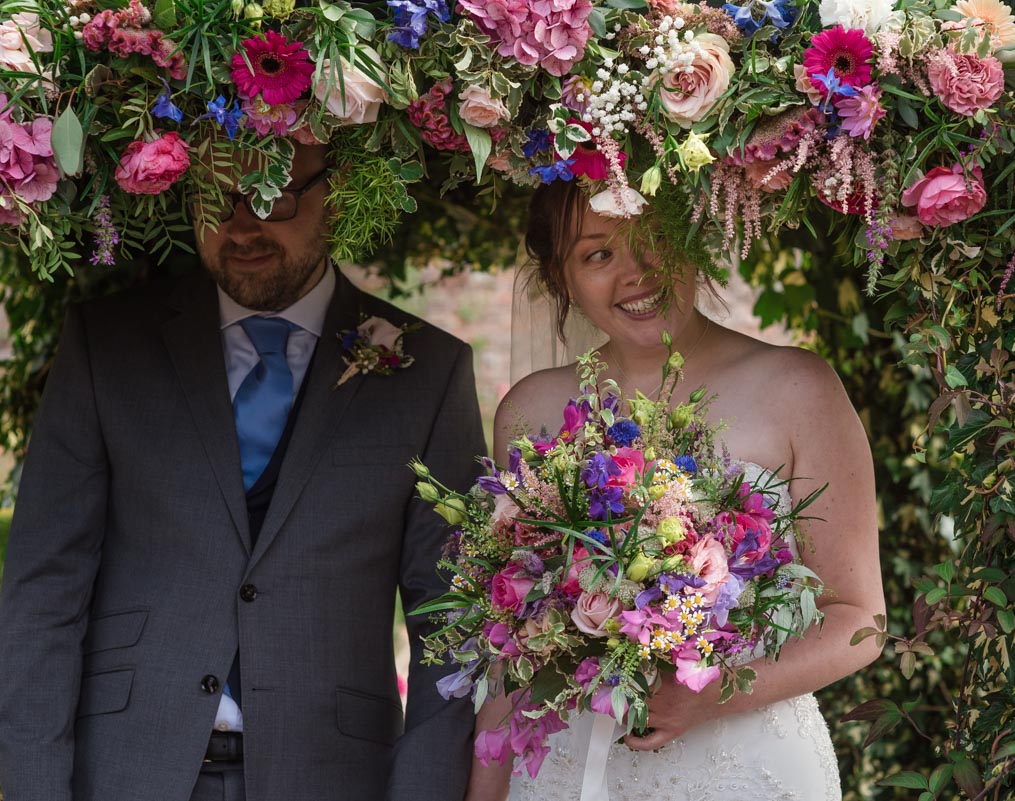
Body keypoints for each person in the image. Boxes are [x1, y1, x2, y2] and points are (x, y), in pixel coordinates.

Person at [0, 143, 485, 801]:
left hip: (333, 778)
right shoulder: (106, 347)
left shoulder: (428, 371)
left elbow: (450, 623)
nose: (241, 223)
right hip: (123, 770)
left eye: (272, 194)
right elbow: (43, 590)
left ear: (334, 193)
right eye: (215, 196)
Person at [466, 180, 886, 801]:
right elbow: (510, 641)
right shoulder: (530, 410)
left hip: (743, 763)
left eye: (655, 238)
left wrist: (712, 692)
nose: (636, 271)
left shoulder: (798, 388)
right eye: (598, 254)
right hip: (569, 765)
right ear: (561, 280)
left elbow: (860, 621)